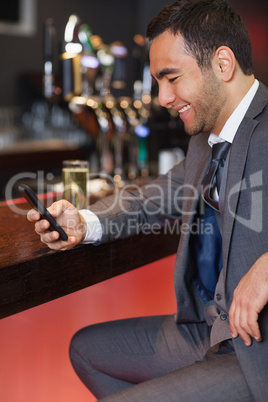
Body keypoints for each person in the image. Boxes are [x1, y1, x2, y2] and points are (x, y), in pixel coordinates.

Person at [27, 0, 268, 400]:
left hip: (253, 349)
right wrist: (85, 221)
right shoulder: (204, 142)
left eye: (171, 78)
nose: (162, 97)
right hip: (208, 329)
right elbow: (154, 196)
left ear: (223, 65)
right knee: (87, 350)